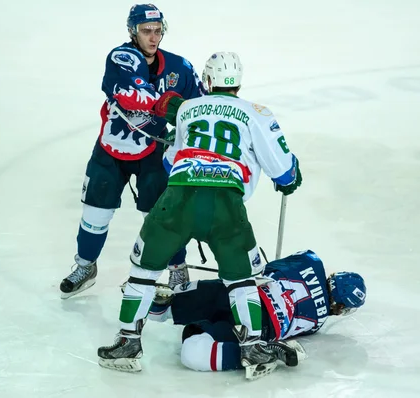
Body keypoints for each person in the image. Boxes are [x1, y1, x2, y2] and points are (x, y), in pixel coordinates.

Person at [96, 51, 303, 380]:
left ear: (207, 82)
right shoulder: (257, 113)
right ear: (239, 82)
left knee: (144, 270)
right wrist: (290, 179)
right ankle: (252, 347)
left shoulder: (189, 109)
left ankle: (127, 343)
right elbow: (283, 169)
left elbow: (169, 161)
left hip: (178, 197)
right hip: (226, 204)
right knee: (241, 279)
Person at [59, 4, 206, 299]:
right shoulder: (121, 57)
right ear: (132, 32)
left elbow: (199, 107)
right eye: (146, 31)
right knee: (95, 214)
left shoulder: (180, 68)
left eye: (157, 31)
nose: (153, 37)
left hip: (153, 150)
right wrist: (164, 104)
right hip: (111, 150)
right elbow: (129, 94)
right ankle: (86, 266)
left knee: (166, 215)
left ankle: (177, 268)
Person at [147, 250, 367, 373]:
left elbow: (268, 268)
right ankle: (264, 352)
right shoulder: (317, 322)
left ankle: (156, 304)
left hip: (239, 291)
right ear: (339, 306)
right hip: (258, 323)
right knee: (193, 352)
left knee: (163, 306)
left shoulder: (310, 259)